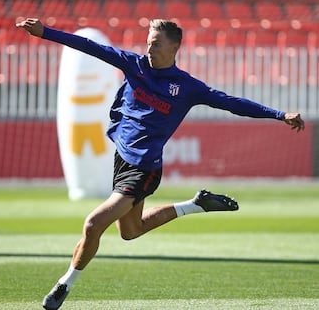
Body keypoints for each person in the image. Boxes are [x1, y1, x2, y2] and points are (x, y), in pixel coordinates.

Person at [16, 18, 305, 310]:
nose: (149, 48)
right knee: (130, 232)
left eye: (156, 43)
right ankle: (196, 205)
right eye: (148, 41)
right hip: (123, 160)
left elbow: (232, 102)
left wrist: (279, 115)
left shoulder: (186, 86)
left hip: (144, 168)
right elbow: (89, 47)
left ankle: (65, 284)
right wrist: (45, 33)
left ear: (174, 47)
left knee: (93, 224)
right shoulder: (135, 65)